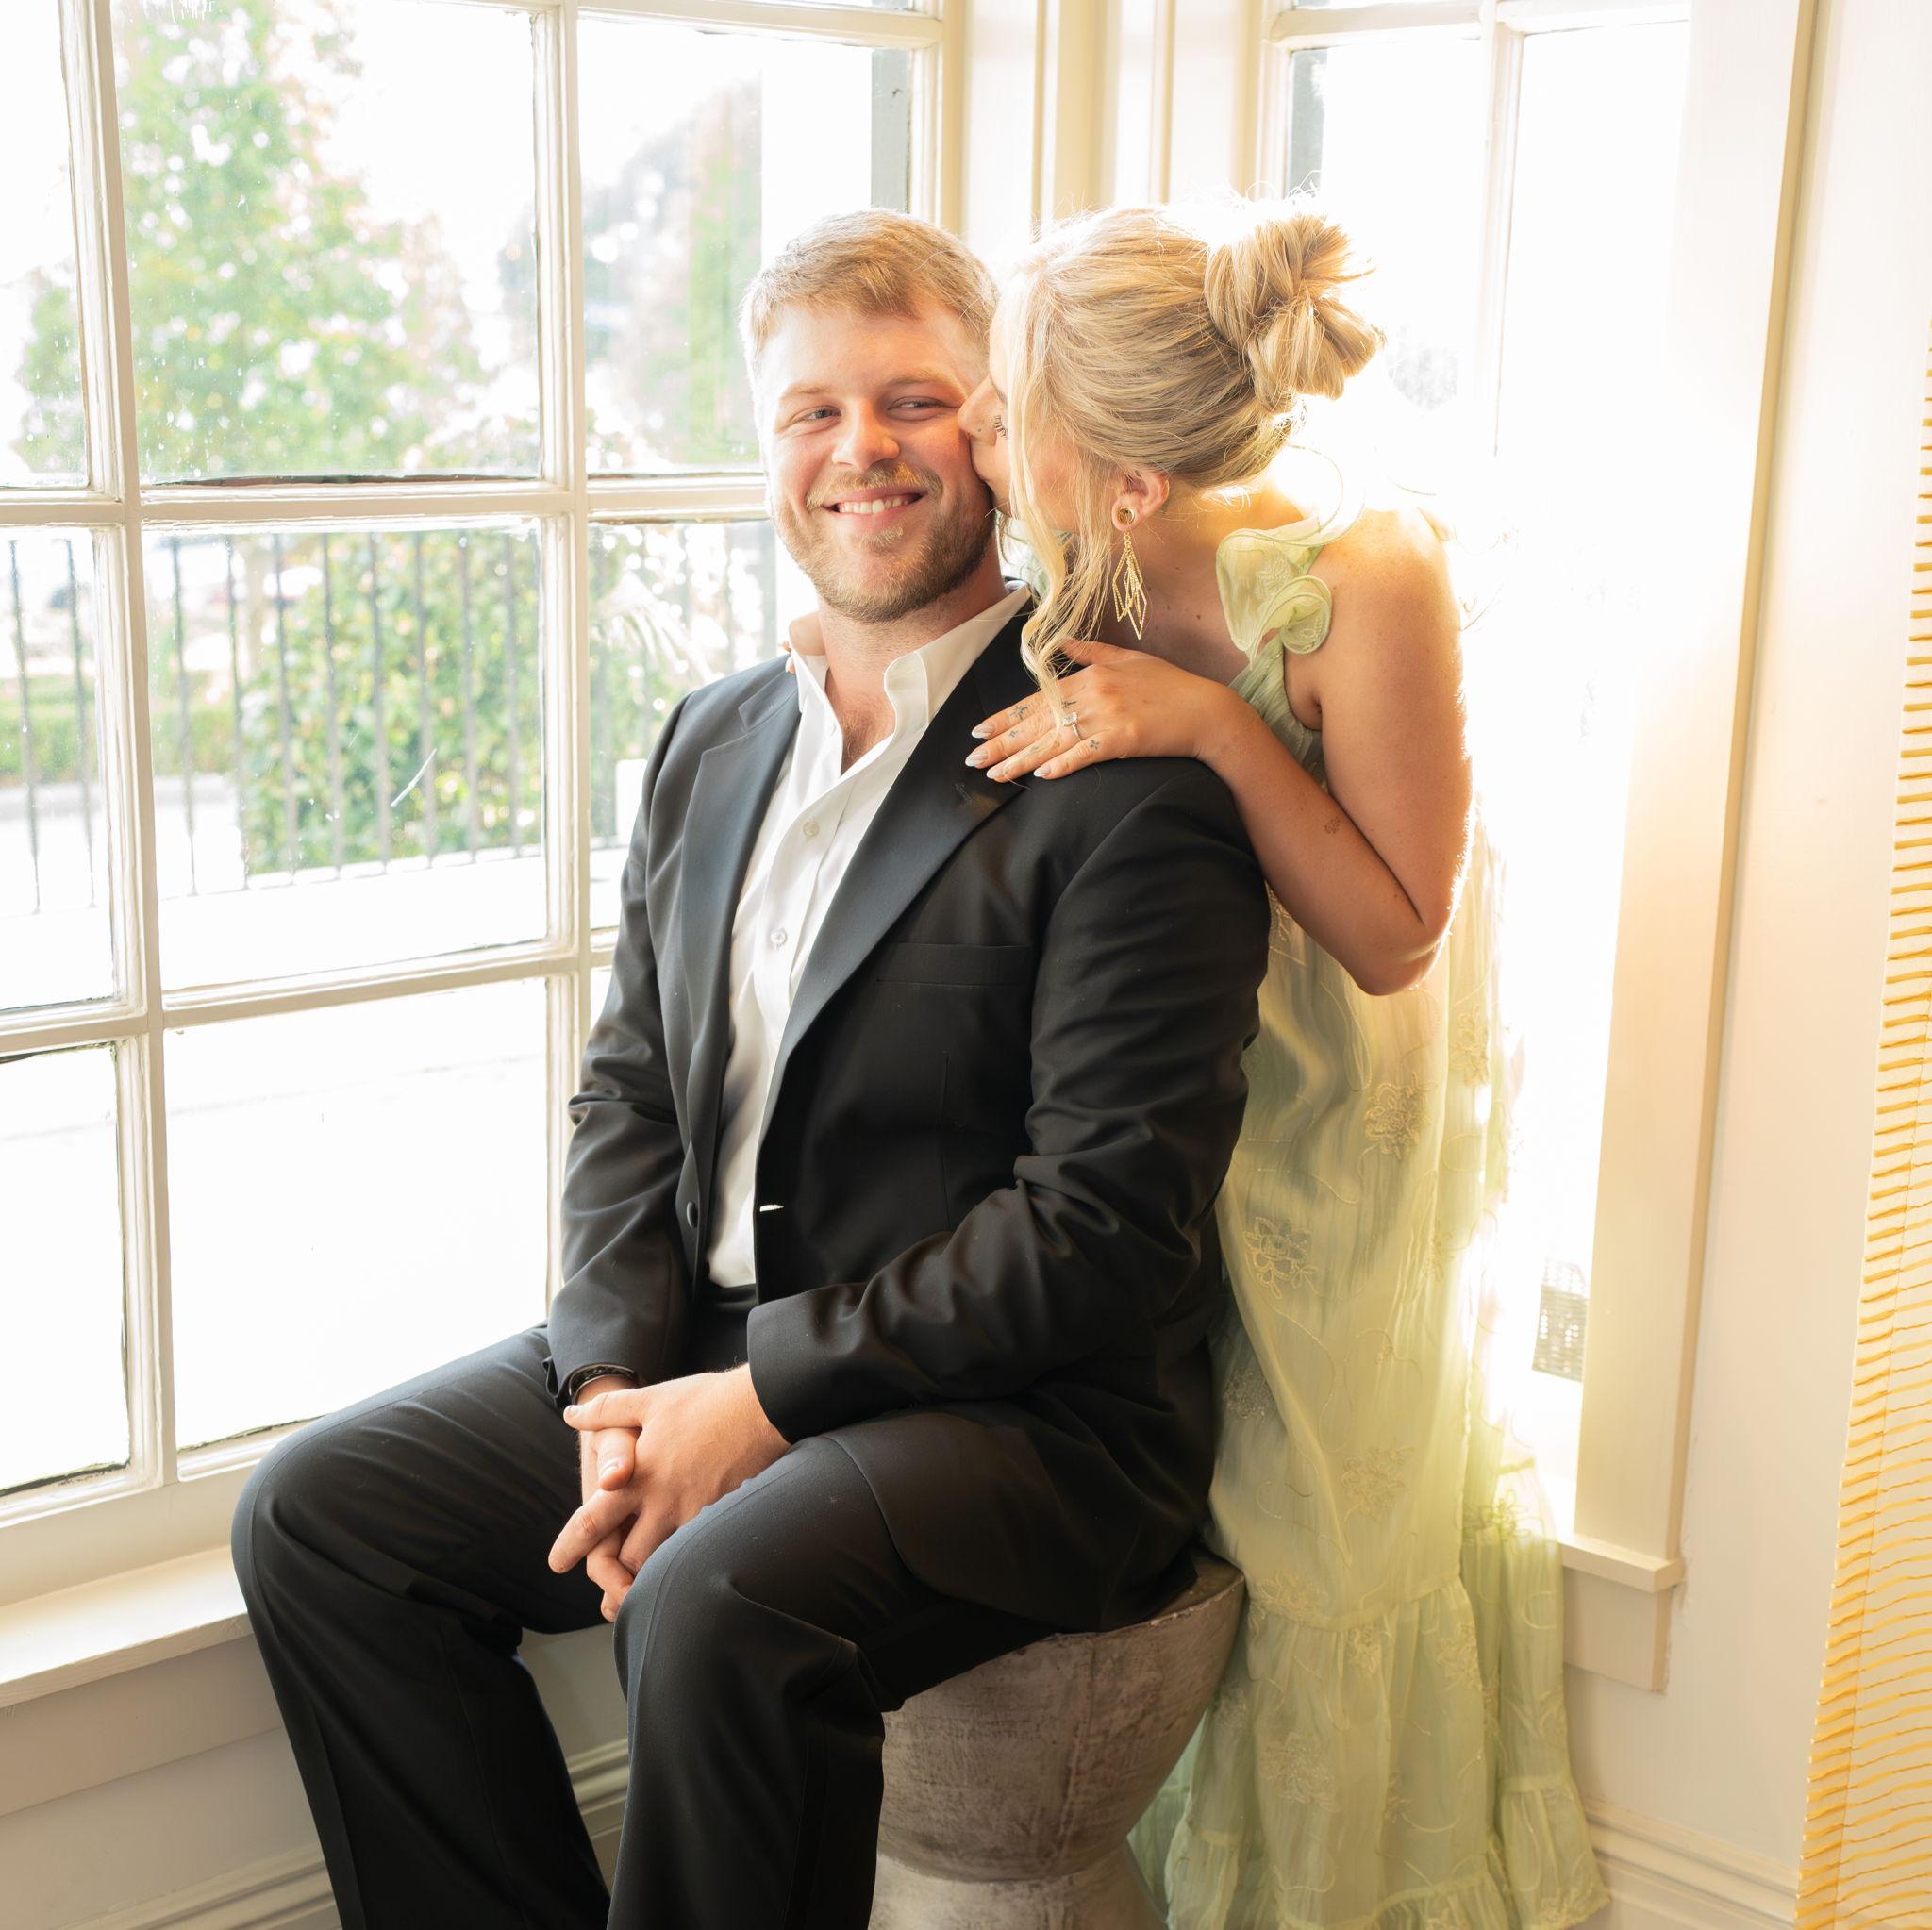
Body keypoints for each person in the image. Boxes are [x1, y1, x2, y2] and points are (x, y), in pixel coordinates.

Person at [226, 208, 1272, 1930]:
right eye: (812, 411)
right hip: (704, 1344)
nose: (863, 449)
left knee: (718, 1598)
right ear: (767, 448)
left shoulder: (1120, 761)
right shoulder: (708, 738)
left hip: (1024, 1412)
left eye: (915, 400)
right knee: (323, 1518)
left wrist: (764, 1399)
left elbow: (1099, 1228)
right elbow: (628, 1095)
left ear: (999, 426)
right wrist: (611, 1390)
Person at [952, 197, 1607, 1928]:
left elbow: (1396, 931)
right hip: (1161, 1099)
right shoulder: (1070, 568)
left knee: (1316, 1523)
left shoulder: (1363, 575)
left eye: (1008, 404)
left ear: (1129, 479)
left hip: (1337, 1108)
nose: (976, 429)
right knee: (1199, 1517)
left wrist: (1214, 726)